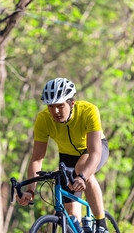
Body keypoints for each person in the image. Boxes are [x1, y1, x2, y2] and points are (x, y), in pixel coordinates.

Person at [17, 78, 109, 233]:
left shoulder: (89, 111)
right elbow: (37, 158)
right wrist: (30, 190)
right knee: (71, 216)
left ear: (71, 103)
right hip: (67, 157)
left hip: (94, 149)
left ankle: (101, 225)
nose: (55, 111)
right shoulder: (43, 119)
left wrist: (83, 176)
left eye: (60, 105)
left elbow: (95, 153)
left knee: (82, 168)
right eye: (51, 106)